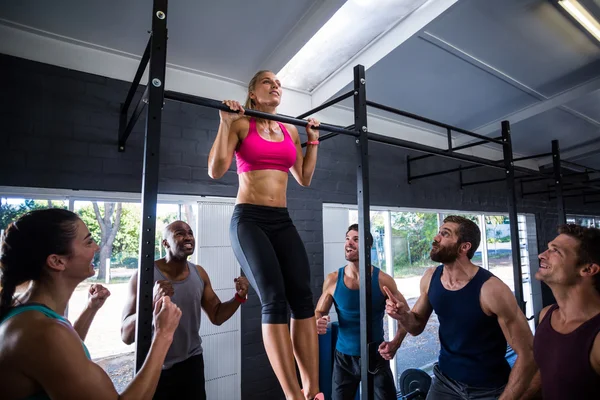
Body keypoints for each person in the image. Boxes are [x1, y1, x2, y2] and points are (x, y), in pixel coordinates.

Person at [208, 70, 323, 400]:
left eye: (279, 84)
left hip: (281, 219)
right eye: (267, 82)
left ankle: (312, 389)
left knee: (302, 296)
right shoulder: (242, 123)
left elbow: (303, 177)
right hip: (249, 219)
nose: (275, 86)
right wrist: (225, 123)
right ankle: (293, 395)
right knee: (274, 298)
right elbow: (215, 170)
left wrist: (312, 139)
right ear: (253, 94)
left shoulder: (288, 130)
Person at [0, 208, 182, 400]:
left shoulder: (28, 314)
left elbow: (61, 358)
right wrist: (163, 334)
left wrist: (90, 309)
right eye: (88, 241)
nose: (96, 247)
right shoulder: (44, 333)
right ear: (57, 261)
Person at [385, 215, 536, 400]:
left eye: (445, 234)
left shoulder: (492, 290)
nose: (436, 238)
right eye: (439, 232)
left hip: (488, 389)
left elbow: (528, 352)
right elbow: (416, 326)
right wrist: (403, 315)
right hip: (445, 382)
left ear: (464, 247)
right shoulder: (431, 278)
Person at [121, 220, 249, 400]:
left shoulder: (199, 273)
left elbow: (217, 315)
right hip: (155, 365)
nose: (188, 236)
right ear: (165, 243)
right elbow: (126, 335)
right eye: (179, 233)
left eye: (190, 232)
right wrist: (151, 303)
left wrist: (239, 297)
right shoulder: (144, 276)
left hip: (192, 364)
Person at [315, 224, 408, 400]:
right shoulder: (333, 279)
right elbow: (319, 311)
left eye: (356, 239)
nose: (349, 243)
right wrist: (318, 320)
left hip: (376, 356)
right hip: (343, 359)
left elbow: (408, 317)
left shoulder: (383, 280)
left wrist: (395, 343)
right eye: (347, 238)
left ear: (367, 246)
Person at [523, 224, 600, 399]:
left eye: (555, 251)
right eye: (548, 249)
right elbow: (547, 372)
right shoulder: (546, 315)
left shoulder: (597, 337)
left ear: (588, 269)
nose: (542, 255)